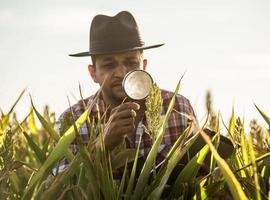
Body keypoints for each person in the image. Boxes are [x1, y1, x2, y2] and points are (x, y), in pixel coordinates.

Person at [55, 11, 201, 178]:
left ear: (144, 65)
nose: (122, 72)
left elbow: (200, 172)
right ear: (93, 73)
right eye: (109, 65)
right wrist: (102, 145)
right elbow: (62, 186)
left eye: (131, 62)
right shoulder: (72, 121)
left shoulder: (178, 107)